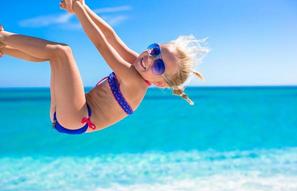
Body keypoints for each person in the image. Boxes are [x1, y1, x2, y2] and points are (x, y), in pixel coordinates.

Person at [0, 0, 209, 135]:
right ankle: (4, 48)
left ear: (161, 83)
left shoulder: (135, 82)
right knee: (52, 56)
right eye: (155, 50)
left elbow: (102, 45)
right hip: (70, 114)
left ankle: (3, 37)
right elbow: (111, 36)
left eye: (159, 65)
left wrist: (79, 10)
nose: (150, 58)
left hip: (76, 119)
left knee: (62, 52)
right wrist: (83, 5)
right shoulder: (138, 64)